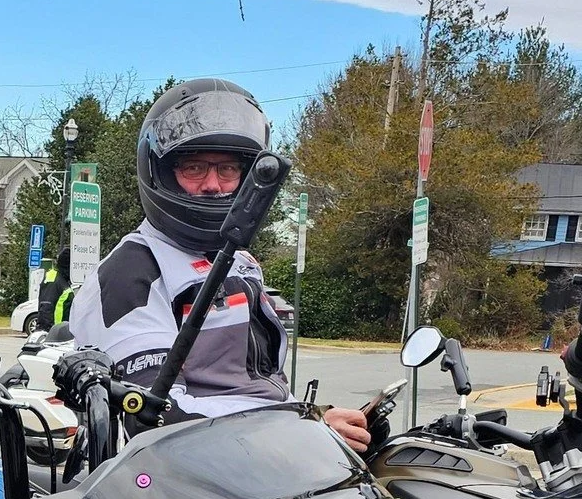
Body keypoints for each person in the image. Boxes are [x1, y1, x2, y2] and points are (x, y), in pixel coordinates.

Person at [68, 78, 370, 449]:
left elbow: (256, 388)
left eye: (227, 170)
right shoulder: (133, 274)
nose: (213, 184)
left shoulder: (238, 263)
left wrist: (316, 418)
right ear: (162, 172)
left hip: (259, 457)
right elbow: (157, 419)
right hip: (187, 472)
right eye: (194, 168)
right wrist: (302, 433)